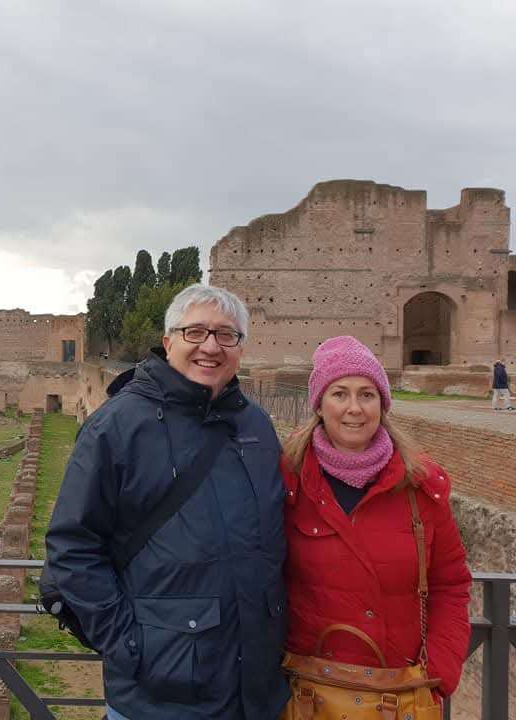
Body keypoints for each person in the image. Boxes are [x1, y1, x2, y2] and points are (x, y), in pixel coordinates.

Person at [45, 284, 289, 720]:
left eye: (226, 335)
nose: (210, 346)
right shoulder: (116, 426)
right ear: (168, 341)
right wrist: (131, 645)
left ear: (241, 348)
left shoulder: (256, 425)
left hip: (255, 691)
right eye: (195, 332)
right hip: (158, 693)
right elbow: (72, 547)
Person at [281, 336, 472, 706]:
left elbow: (450, 584)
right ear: (319, 404)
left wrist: (439, 674)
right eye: (340, 393)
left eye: (367, 395)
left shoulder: (420, 485)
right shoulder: (287, 480)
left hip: (398, 695)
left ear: (382, 404)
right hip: (308, 694)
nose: (354, 408)